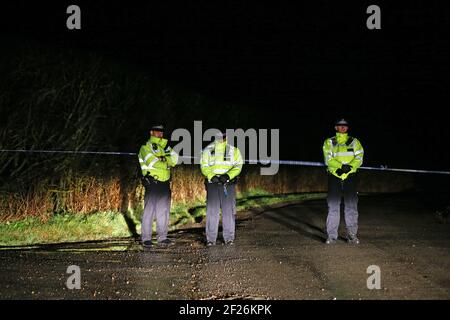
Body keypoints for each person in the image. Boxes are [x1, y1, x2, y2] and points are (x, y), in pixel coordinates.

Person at [322, 119, 364, 245]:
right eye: (340, 125)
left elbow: (359, 158)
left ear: (347, 128)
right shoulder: (329, 142)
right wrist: (340, 167)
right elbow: (328, 159)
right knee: (333, 206)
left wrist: (349, 167)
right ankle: (332, 236)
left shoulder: (354, 142)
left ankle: (352, 235)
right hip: (335, 176)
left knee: (351, 206)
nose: (342, 127)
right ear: (336, 127)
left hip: (350, 176)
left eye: (345, 125)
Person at [200, 130, 243, 246]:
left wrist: (228, 176)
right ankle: (210, 239)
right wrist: (211, 176)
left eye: (224, 135)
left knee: (228, 212)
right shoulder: (208, 150)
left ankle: (229, 238)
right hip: (212, 184)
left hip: (227, 184)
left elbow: (238, 165)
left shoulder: (233, 150)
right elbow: (204, 165)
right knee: (212, 212)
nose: (221, 137)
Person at [138, 125, 178, 248]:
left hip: (165, 183)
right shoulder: (145, 147)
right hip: (152, 182)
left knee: (163, 211)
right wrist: (166, 162)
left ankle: (162, 238)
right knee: (149, 211)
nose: (160, 134)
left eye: (162, 132)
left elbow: (175, 160)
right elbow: (152, 162)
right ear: (151, 132)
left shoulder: (166, 147)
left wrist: (162, 159)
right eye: (157, 131)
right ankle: (146, 239)